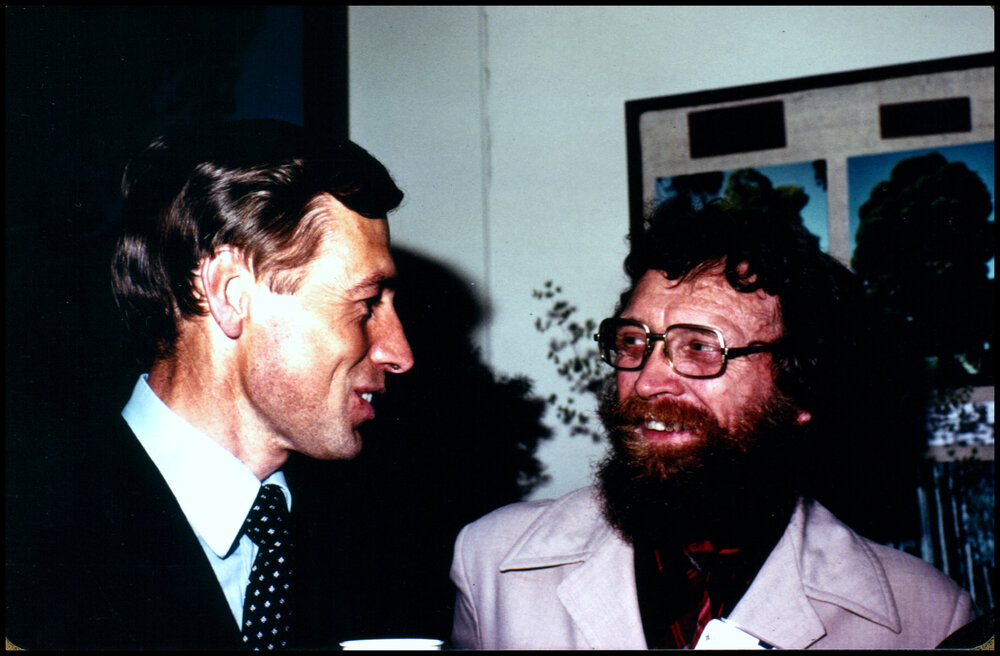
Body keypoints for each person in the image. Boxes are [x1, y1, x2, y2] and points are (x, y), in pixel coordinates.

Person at [449, 200, 977, 649]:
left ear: (800, 390)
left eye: (701, 348)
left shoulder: (925, 619)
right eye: (634, 341)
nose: (649, 379)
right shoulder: (491, 563)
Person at [6, 119, 414, 650]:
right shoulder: (31, 531)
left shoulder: (378, 548)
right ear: (230, 293)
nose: (399, 353)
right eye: (366, 303)